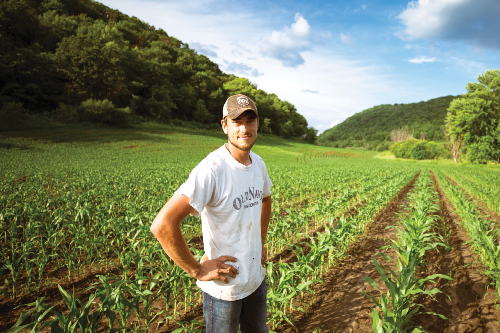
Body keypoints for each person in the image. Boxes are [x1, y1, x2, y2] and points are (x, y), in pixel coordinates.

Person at [150, 94, 272, 333]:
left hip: (255, 280)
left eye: (250, 120)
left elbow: (266, 198)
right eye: (237, 122)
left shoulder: (258, 163)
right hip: (224, 290)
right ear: (225, 125)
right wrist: (197, 269)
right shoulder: (212, 170)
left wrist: (261, 240)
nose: (244, 128)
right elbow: (163, 225)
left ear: (258, 123)